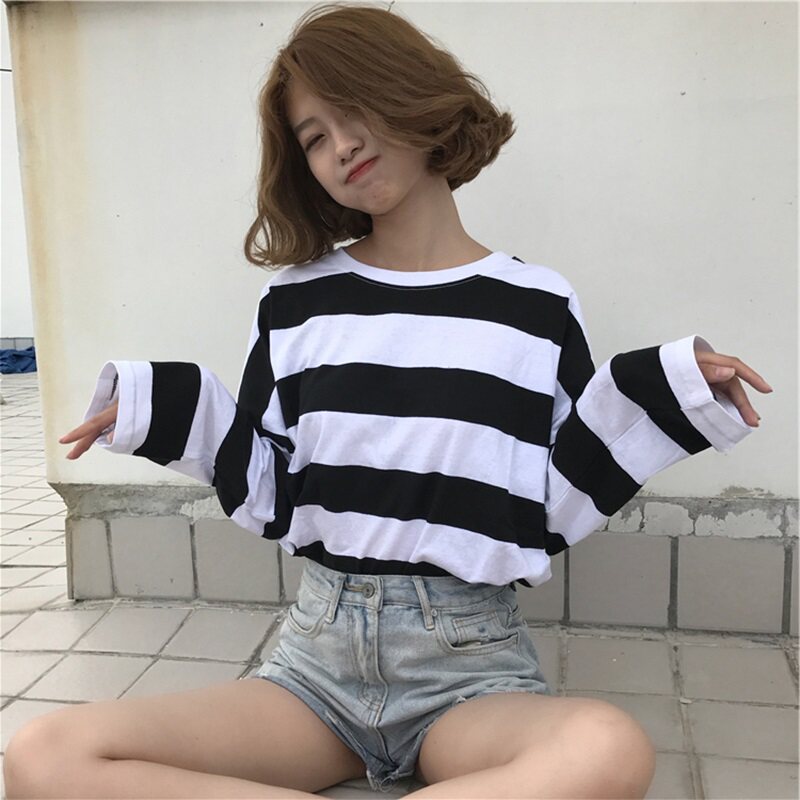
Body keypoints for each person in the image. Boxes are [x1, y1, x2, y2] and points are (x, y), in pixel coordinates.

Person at [4, 3, 772, 799]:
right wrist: (167, 407)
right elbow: (273, 488)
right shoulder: (295, 304)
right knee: (43, 755)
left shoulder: (536, 304)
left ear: (413, 95)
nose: (341, 146)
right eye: (314, 137)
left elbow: (549, 506)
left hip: (471, 679)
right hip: (314, 672)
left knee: (607, 750)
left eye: (355, 109)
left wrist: (662, 390)